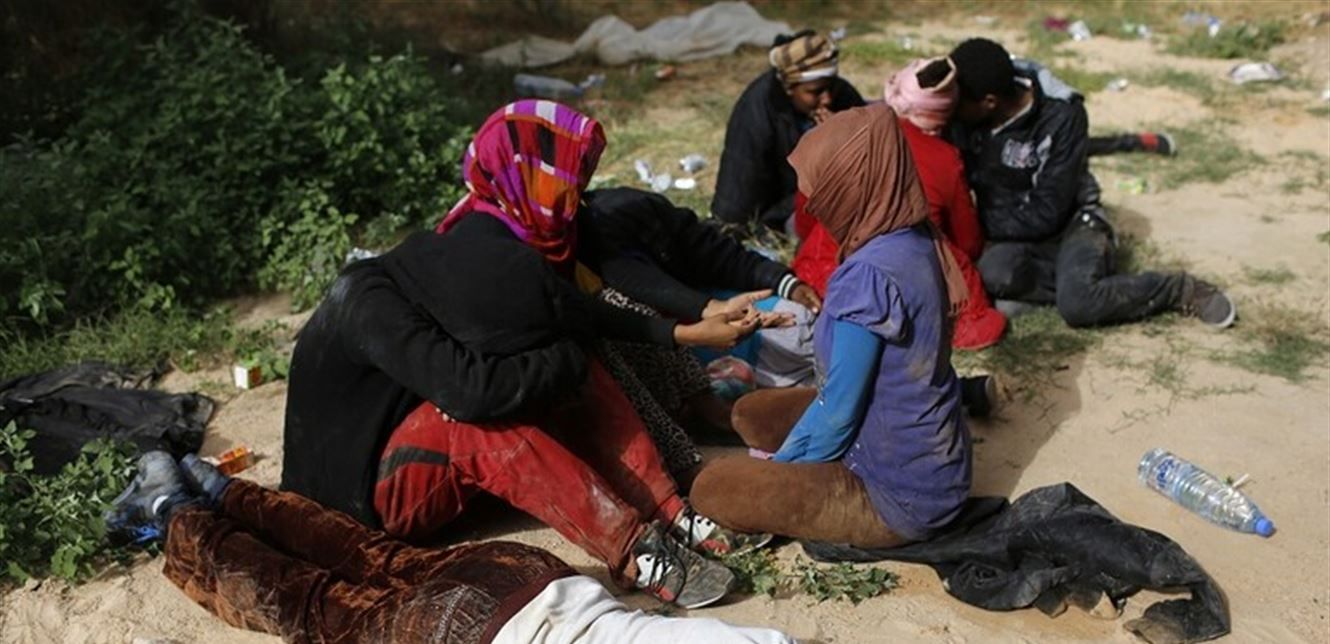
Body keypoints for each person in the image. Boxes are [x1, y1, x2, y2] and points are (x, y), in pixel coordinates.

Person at [282, 100, 773, 609]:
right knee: (480, 423)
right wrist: (566, 360)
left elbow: (577, 315)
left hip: (429, 422)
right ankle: (633, 550)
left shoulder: (458, 270)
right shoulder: (374, 308)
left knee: (556, 364)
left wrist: (680, 331)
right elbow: (472, 396)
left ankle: (668, 508)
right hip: (367, 501)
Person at [106, 451, 796, 644]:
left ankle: (219, 488)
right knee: (314, 609)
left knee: (370, 555)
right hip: (468, 633)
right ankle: (174, 509)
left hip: (539, 580)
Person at [690, 104, 972, 548]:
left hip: (896, 497)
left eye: (822, 191)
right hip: (931, 458)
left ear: (851, 187)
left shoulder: (868, 275)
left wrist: (780, 467)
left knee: (712, 487)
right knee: (750, 412)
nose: (816, 206)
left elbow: (839, 412)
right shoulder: (914, 236)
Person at [946, 38, 1236, 329]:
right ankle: (1067, 285)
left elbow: (1047, 213)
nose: (951, 107)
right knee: (994, 273)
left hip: (1072, 223)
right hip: (1016, 232)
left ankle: (1178, 289)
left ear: (990, 102)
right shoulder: (967, 110)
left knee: (1078, 305)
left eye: (958, 102)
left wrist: (975, 224)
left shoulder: (1061, 116)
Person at [576, 187, 822, 479]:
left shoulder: (625, 210)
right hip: (691, 360)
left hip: (729, 334)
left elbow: (712, 251)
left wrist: (783, 282)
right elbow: (621, 305)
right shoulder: (547, 272)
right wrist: (697, 324)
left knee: (798, 327)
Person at [792, 56, 1007, 351]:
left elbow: (805, 219)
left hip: (832, 268)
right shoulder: (944, 158)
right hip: (908, 272)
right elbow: (968, 242)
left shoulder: (846, 134)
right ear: (945, 112)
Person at [712, 30, 865, 233]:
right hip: (782, 209)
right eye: (815, 92)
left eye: (830, 87)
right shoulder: (758, 109)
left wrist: (840, 139)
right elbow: (738, 189)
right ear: (789, 88)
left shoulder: (842, 95)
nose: (827, 98)